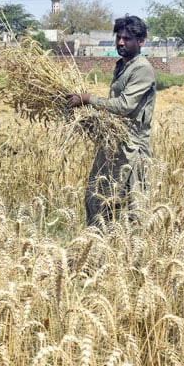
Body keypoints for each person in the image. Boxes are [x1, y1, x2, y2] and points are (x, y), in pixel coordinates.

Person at [66, 16, 156, 227]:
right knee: (97, 199)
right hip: (114, 143)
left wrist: (88, 99)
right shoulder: (122, 66)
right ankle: (97, 250)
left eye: (127, 38)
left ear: (141, 41)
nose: (121, 42)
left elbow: (124, 106)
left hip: (132, 150)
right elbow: (115, 109)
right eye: (118, 37)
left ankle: (131, 256)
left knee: (132, 208)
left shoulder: (142, 69)